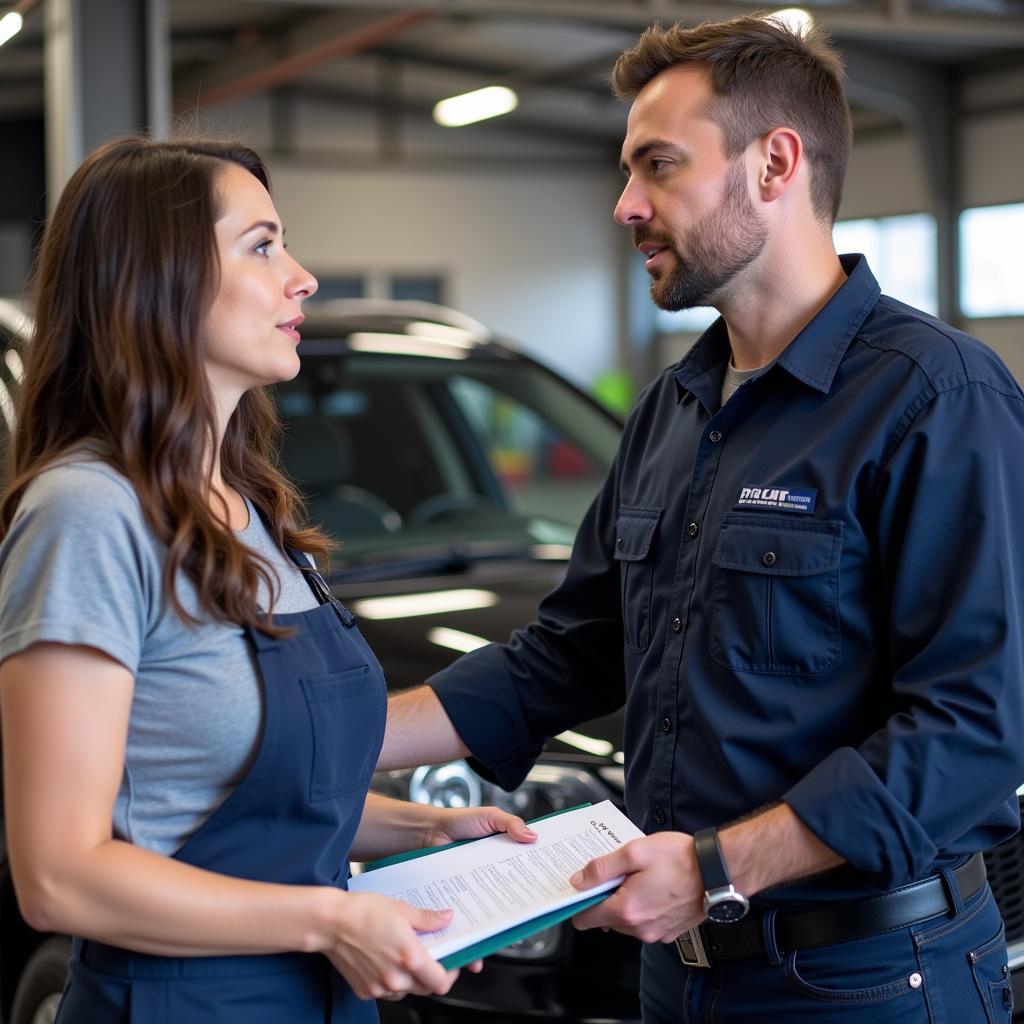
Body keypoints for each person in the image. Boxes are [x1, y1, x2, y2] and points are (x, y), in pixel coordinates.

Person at [377, 15, 1024, 1022]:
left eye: (658, 166)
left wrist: (718, 865)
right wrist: (318, 742)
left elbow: (977, 725)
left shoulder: (936, 399)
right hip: (681, 972)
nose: (625, 205)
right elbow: (565, 655)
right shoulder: (674, 410)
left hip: (865, 979)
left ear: (774, 163)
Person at [0, 136, 536, 1024]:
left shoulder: (249, 509)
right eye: (262, 245)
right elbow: (59, 876)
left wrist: (426, 829)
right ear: (157, 278)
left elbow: (265, 795)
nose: (303, 276)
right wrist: (327, 919)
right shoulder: (88, 516)